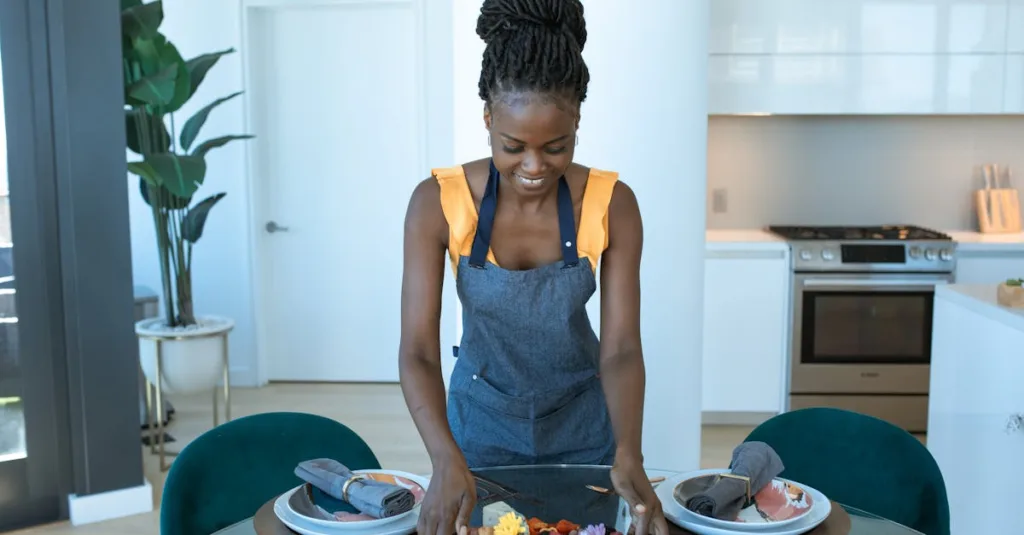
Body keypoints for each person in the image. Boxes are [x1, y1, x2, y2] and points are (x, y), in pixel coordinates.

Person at [398, 1, 668, 534]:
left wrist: (629, 451)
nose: (534, 166)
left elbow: (620, 349)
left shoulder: (612, 204)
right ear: (488, 119)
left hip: (584, 428)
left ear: (577, 122)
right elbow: (418, 352)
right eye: (513, 146)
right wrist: (443, 457)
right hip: (478, 432)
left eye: (556, 147)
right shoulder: (438, 203)